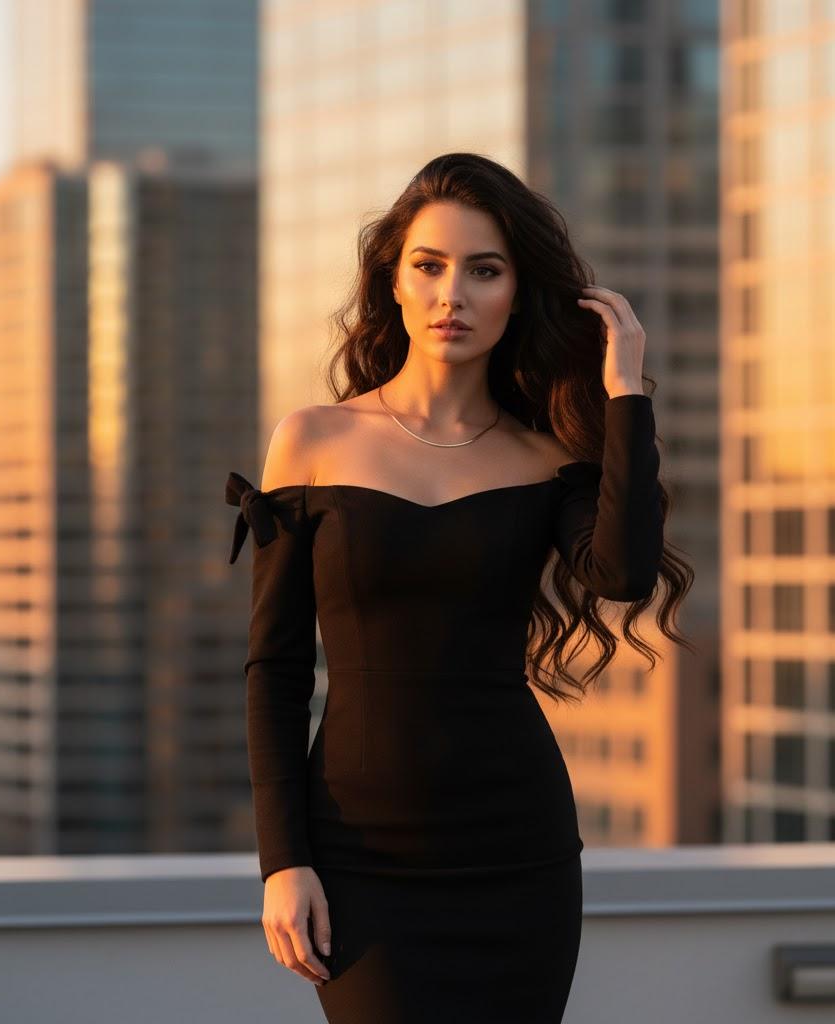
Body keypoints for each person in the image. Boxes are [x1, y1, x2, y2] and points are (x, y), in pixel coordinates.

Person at [225, 152, 694, 1023]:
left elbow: (623, 573)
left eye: (485, 270)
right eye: (429, 266)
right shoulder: (313, 442)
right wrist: (282, 861)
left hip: (517, 854)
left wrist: (625, 392)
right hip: (359, 859)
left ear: (517, 293)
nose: (453, 295)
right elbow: (276, 670)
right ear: (392, 283)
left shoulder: (549, 454)